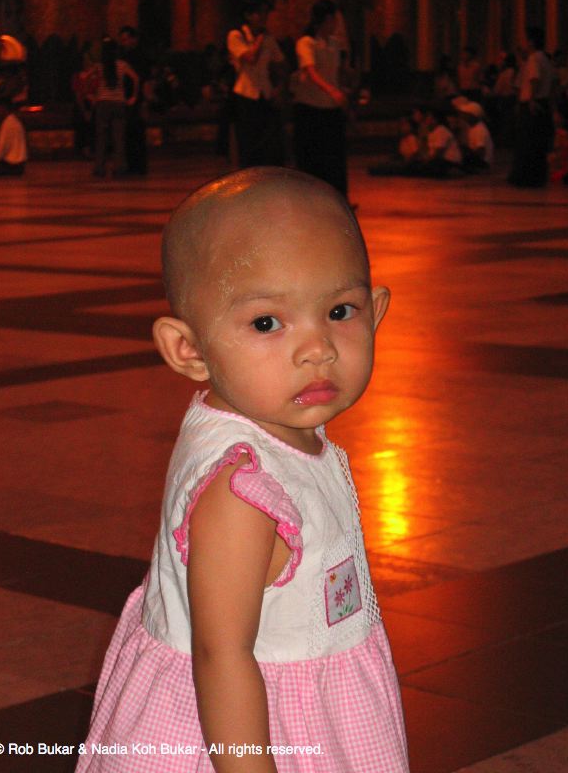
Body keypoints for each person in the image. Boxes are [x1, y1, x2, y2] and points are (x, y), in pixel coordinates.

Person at [75, 167, 410, 773]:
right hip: (254, 732)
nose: (318, 348)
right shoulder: (243, 489)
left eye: (340, 310)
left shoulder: (276, 429)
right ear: (190, 350)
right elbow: (220, 655)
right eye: (266, 323)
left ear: (377, 309)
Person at [293, 0, 349, 198]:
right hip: (310, 108)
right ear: (323, 20)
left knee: (335, 158)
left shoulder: (334, 44)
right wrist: (331, 90)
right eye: (332, 20)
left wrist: (341, 90)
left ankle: (338, 200)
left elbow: (336, 72)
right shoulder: (306, 43)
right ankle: (311, 200)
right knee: (312, 159)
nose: (335, 25)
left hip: (330, 108)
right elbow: (310, 71)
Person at [227, 0, 285, 167]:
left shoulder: (268, 38)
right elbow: (250, 58)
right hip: (245, 94)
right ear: (248, 15)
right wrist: (259, 38)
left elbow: (281, 62)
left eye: (265, 13)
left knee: (267, 143)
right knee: (247, 143)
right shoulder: (236, 35)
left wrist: (279, 87)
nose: (264, 17)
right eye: (260, 13)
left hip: (265, 93)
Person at [508, 26, 554, 187]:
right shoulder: (545, 58)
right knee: (538, 143)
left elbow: (534, 79)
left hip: (532, 104)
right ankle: (537, 176)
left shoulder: (534, 58)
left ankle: (525, 177)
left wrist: (532, 100)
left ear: (532, 42)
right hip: (543, 102)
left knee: (527, 142)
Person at [90, 37, 139, 178]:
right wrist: (133, 96)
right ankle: (120, 167)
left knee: (101, 137)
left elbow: (86, 78)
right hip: (119, 103)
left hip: (103, 103)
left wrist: (92, 95)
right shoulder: (122, 65)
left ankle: (99, 167)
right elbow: (135, 78)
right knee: (119, 137)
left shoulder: (99, 66)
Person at [118, 25, 149, 175]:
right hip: (125, 98)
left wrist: (140, 99)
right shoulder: (123, 56)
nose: (124, 42)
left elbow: (143, 79)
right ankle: (131, 165)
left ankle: (139, 166)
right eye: (122, 40)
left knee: (137, 132)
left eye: (126, 39)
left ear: (132, 39)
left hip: (136, 99)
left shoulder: (140, 56)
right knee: (128, 133)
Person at [455, 100, 494, 171]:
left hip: (482, 162)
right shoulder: (473, 127)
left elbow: (480, 151)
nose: (463, 116)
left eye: (465, 114)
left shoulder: (480, 129)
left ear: (472, 116)